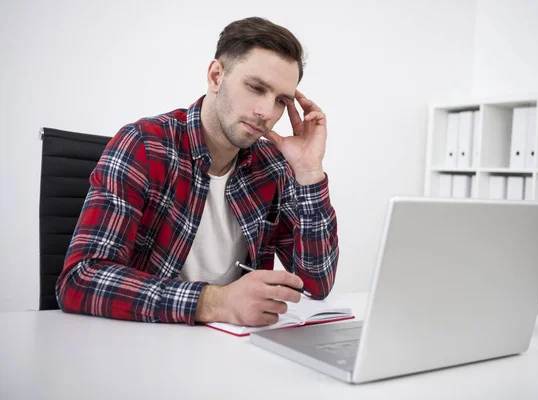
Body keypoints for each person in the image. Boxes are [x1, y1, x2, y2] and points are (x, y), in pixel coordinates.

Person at [56, 17, 339, 327]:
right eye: (256, 88)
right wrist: (216, 302)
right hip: (143, 343)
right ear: (217, 76)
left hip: (234, 348)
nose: (267, 113)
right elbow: (80, 279)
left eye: (281, 101)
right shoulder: (144, 145)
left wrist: (310, 173)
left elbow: (316, 284)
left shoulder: (272, 165)